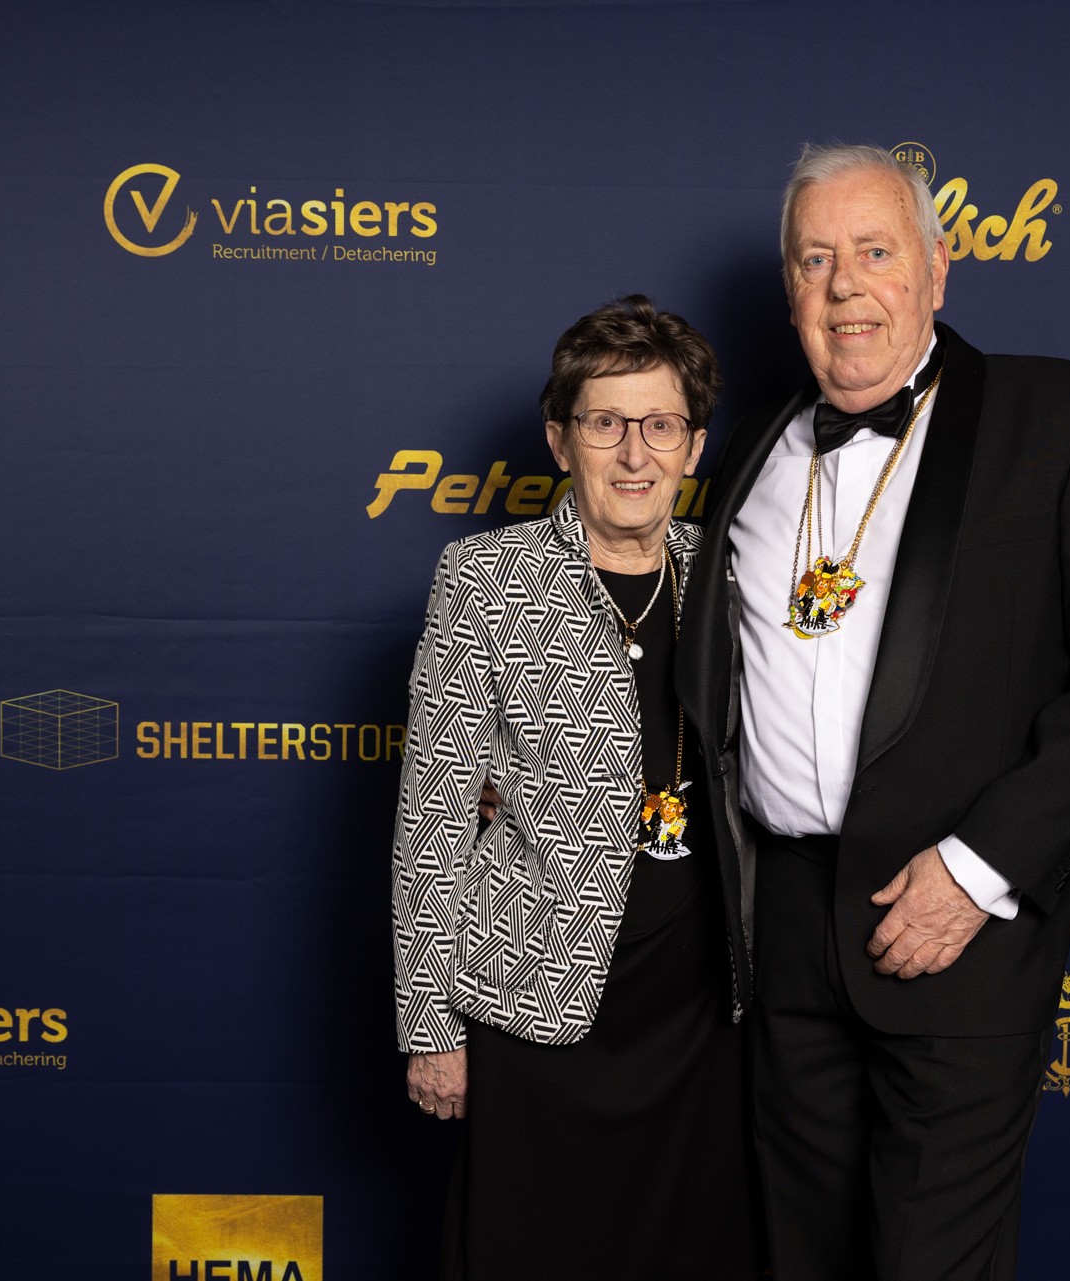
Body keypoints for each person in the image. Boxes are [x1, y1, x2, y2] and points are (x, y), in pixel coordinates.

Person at [676, 145, 1070, 1280]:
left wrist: (977, 869)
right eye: (815, 259)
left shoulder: (1064, 415)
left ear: (938, 269)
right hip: (784, 939)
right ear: (789, 290)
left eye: (875, 251)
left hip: (957, 929)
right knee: (798, 1257)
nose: (844, 286)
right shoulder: (752, 448)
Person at [392, 296, 759, 1280]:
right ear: (561, 440)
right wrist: (430, 1025)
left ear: (695, 446)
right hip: (536, 997)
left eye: (661, 425)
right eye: (605, 423)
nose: (635, 453)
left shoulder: (733, 578)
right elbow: (433, 815)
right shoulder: (486, 580)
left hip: (701, 1012)